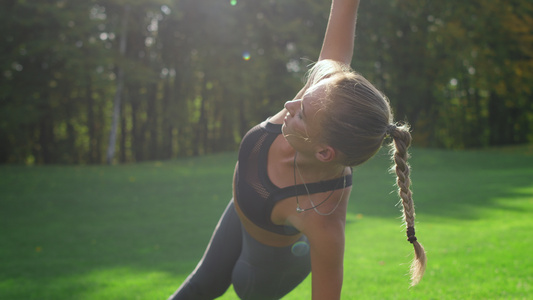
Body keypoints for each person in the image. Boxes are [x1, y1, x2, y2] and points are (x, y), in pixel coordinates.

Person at [168, 0, 426, 299]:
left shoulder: (324, 222)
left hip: (266, 270)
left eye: (301, 114)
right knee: (199, 285)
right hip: (244, 209)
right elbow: (343, 12)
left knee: (244, 284)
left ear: (324, 153)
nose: (290, 105)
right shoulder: (323, 99)